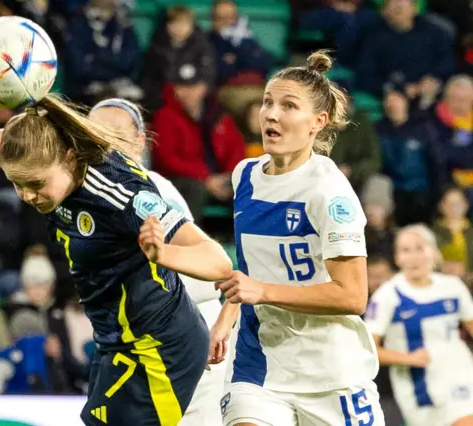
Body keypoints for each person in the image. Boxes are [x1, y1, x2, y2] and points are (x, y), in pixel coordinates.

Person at [0, 94, 232, 426]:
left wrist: (163, 254)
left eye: (36, 184)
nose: (28, 195)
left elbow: (218, 262)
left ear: (69, 157)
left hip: (160, 347)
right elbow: (13, 140)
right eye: (18, 185)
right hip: (118, 342)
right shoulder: (49, 154)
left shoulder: (122, 193)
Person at [208, 50, 385, 426]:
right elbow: (253, 268)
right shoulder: (245, 176)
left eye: (289, 106)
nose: (272, 114)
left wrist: (264, 292)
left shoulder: (330, 193)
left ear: (318, 122)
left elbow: (352, 296)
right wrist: (228, 316)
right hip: (260, 364)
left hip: (331, 374)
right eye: (268, 102)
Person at [88, 97, 226, 426]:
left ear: (140, 142)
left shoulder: (148, 190)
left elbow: (214, 269)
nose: (105, 143)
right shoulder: (98, 194)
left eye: (116, 134)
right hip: (139, 340)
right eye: (95, 135)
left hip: (183, 333)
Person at [365, 224, 473, 426]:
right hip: (419, 388)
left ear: (433, 252)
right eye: (406, 250)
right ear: (397, 258)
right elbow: (368, 349)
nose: (414, 256)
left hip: (461, 376)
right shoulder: (388, 295)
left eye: (419, 248)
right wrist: (408, 358)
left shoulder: (453, 286)